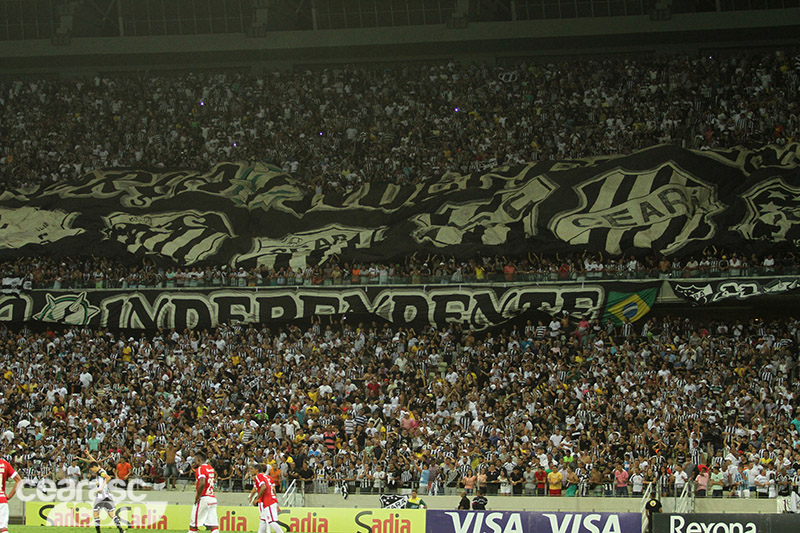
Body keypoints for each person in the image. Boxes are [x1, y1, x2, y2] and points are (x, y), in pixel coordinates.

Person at [87, 458, 125, 533]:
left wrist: (101, 487)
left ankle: (98, 532)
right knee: (111, 514)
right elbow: (95, 462)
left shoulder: (100, 472)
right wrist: (88, 455)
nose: (92, 471)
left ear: (94, 467)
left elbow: (108, 478)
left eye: (92, 469)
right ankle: (121, 530)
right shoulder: (101, 469)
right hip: (108, 495)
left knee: (95, 513)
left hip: (101, 495)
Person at [188, 451, 219, 533]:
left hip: (204, 498)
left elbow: (202, 483)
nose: (194, 462)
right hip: (212, 498)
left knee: (193, 524)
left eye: (195, 460)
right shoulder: (210, 468)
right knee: (213, 526)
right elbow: (216, 474)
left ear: (198, 459)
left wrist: (197, 497)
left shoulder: (200, 469)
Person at [249, 464, 283, 533]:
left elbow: (263, 487)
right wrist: (276, 503)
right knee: (264, 520)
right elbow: (273, 490)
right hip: (271, 500)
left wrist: (256, 498)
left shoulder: (258, 476)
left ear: (256, 470)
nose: (251, 471)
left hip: (268, 500)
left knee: (271, 521)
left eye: (252, 469)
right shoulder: (268, 477)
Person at [0, 457, 20, 533]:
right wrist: (9, 496)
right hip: (2, 499)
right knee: (3, 529)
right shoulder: (4, 464)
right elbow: (18, 480)